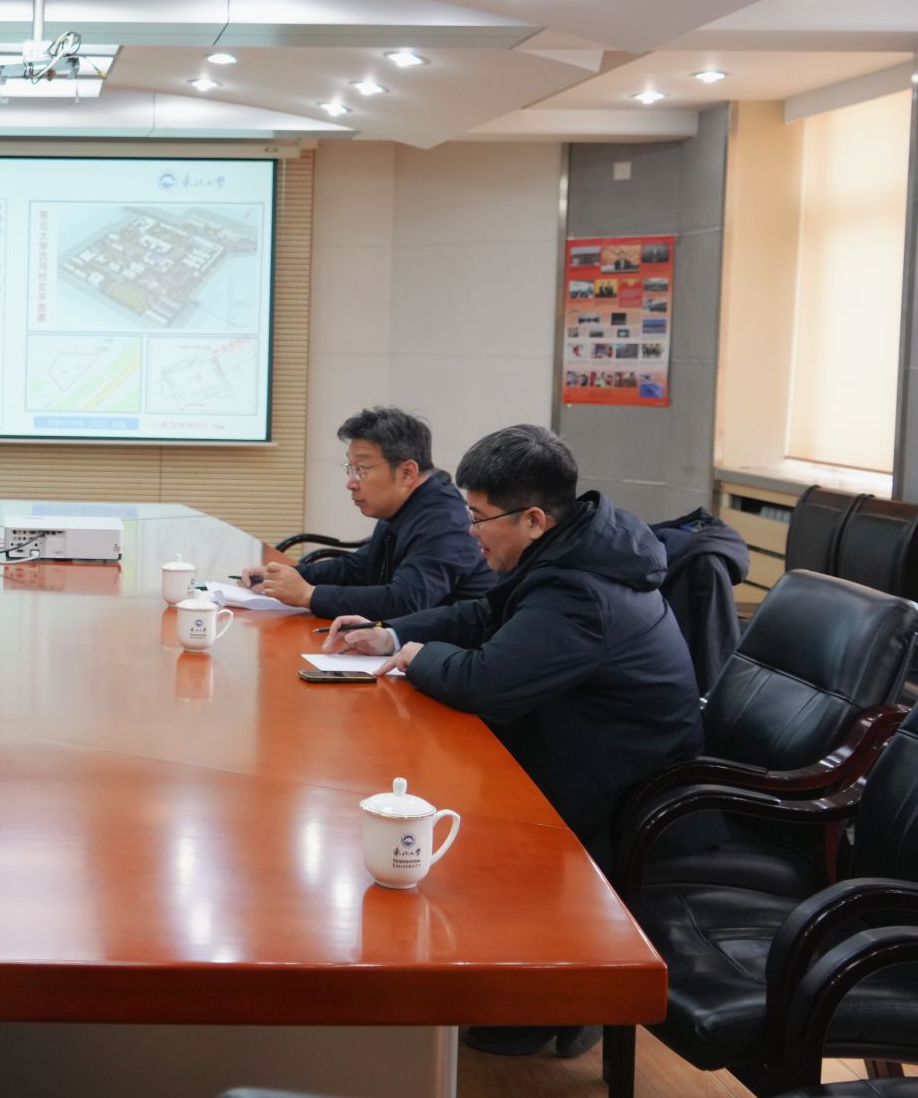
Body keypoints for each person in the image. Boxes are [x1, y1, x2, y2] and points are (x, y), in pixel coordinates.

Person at [321, 424, 701, 1060]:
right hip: (576, 745)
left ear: (531, 519)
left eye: (478, 518)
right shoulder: (569, 552)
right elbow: (484, 615)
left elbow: (485, 683)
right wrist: (391, 633)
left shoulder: (580, 590)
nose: (470, 532)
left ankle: (554, 996)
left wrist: (418, 656)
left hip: (617, 784)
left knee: (444, 794)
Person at [239, 406, 497, 619]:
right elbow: (360, 568)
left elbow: (404, 602)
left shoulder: (445, 522)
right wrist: (286, 576)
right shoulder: (406, 504)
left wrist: (309, 595)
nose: (351, 483)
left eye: (361, 469)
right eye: (350, 468)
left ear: (407, 472)